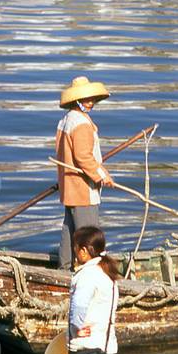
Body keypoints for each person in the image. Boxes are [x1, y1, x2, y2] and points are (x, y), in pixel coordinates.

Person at [56, 76, 115, 270]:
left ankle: (64, 267)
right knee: (88, 234)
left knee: (69, 229)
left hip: (69, 187)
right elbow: (83, 157)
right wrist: (101, 175)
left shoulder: (66, 120)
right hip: (82, 189)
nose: (90, 103)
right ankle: (89, 270)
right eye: (86, 99)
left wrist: (101, 170)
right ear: (77, 101)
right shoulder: (80, 123)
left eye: (92, 99)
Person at [67, 226, 120, 354]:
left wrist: (75, 334)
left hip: (87, 349)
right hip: (107, 348)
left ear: (83, 251)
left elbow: (77, 312)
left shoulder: (88, 275)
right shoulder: (107, 273)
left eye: (75, 248)